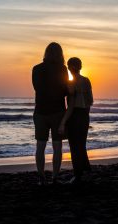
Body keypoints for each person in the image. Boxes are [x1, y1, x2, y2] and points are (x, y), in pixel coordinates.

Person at [32, 42, 68, 185]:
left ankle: (41, 178)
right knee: (57, 147)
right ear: (60, 54)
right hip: (58, 112)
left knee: (40, 146)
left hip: (41, 111)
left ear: (46, 53)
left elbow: (37, 89)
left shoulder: (37, 69)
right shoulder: (62, 69)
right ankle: (55, 177)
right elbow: (65, 91)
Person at [58, 57, 93, 184]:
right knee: (81, 145)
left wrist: (63, 122)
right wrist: (85, 115)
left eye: (68, 65)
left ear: (71, 67)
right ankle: (86, 171)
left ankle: (77, 176)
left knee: (74, 147)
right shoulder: (86, 80)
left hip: (74, 116)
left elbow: (71, 106)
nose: (67, 67)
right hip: (85, 116)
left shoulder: (71, 83)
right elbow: (90, 101)